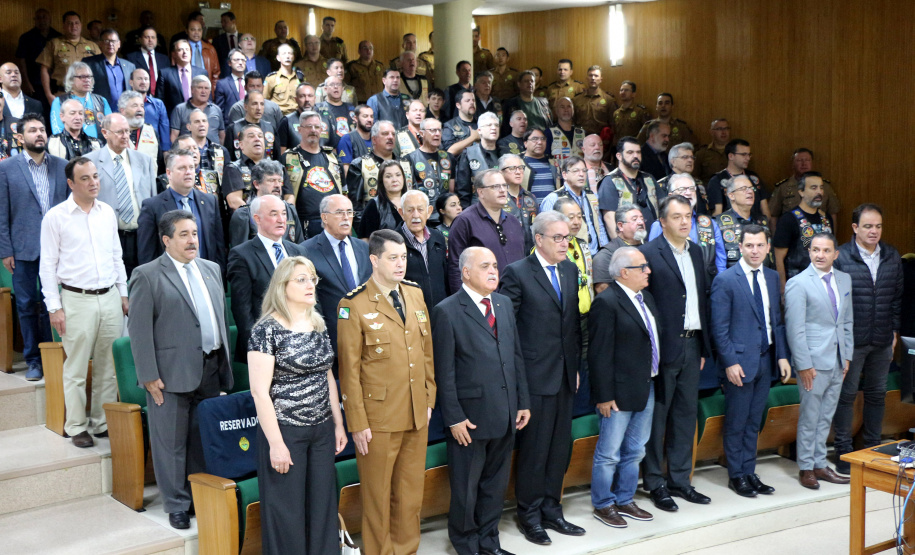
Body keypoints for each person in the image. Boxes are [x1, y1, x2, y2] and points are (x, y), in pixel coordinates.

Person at [128, 210, 234, 530]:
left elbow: (218, 318)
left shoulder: (212, 268)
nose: (192, 241)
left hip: (210, 366)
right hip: (170, 373)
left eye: (195, 234)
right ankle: (176, 503)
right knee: (170, 442)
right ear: (166, 240)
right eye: (184, 235)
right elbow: (139, 329)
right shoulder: (147, 275)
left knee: (202, 439)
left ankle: (196, 495)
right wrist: (148, 375)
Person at [337, 229, 435, 555]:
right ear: (374, 260)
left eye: (404, 257)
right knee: (378, 498)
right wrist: (357, 421)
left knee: (410, 496)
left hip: (415, 412)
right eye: (393, 257)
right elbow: (349, 370)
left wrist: (429, 398)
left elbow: (426, 353)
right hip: (376, 418)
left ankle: (406, 550)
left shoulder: (414, 294)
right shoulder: (353, 304)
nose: (400, 264)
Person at [433, 245, 530, 555]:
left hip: (505, 413)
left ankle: (490, 542)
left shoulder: (502, 304)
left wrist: (522, 401)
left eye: (495, 266)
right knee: (466, 488)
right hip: (469, 418)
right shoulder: (447, 310)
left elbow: (515, 356)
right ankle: (466, 544)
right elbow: (444, 372)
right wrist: (453, 418)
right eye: (485, 266)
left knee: (495, 486)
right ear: (465, 272)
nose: (493, 271)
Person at [248, 255, 346, 555]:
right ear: (282, 286)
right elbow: (259, 392)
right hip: (285, 431)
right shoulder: (266, 330)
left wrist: (338, 423)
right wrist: (275, 443)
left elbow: (327, 374)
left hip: (322, 430)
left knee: (322, 507)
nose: (310, 285)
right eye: (301, 279)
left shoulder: (317, 323)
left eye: (312, 278)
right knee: (287, 512)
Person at [500, 210, 585, 545]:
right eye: (559, 238)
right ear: (539, 239)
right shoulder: (517, 273)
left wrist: (575, 366)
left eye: (567, 237)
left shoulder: (569, 269)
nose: (566, 243)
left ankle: (553, 508)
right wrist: (519, 382)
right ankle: (530, 515)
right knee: (535, 451)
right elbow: (508, 333)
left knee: (558, 448)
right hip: (534, 377)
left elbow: (573, 325)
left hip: (564, 375)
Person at [39, 155, 127, 447]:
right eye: (85, 178)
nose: (93, 183)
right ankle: (76, 425)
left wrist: (123, 292)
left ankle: (101, 423)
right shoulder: (55, 217)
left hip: (110, 297)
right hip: (76, 299)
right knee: (76, 368)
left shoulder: (107, 212)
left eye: (95, 176)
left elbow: (117, 255)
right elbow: (47, 266)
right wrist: (55, 307)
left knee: (108, 365)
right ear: (70, 183)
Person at [639, 195, 712, 512]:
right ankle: (655, 482)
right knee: (659, 418)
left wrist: (702, 346)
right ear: (663, 221)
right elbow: (645, 307)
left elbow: (700, 300)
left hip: (692, 343)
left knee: (685, 415)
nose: (685, 222)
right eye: (678, 216)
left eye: (689, 216)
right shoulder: (648, 254)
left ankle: (680, 480)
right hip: (663, 348)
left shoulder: (697, 251)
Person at [710, 225, 791, 497]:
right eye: (749, 246)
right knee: (737, 421)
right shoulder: (726, 279)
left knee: (754, 420)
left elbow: (776, 321)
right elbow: (719, 328)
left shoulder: (770, 277)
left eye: (760, 245)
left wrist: (781, 355)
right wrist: (730, 362)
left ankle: (749, 470)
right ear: (741, 247)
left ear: (768, 248)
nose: (754, 250)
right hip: (739, 364)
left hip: (765, 360)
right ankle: (737, 475)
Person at [588, 246, 658, 528]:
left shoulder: (646, 298)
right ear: (624, 272)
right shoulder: (606, 302)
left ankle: (625, 498)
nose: (648, 271)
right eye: (643, 267)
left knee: (636, 449)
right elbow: (598, 354)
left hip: (646, 385)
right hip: (617, 393)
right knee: (609, 453)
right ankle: (603, 504)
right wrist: (604, 396)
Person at [832, 204, 903, 474]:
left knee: (877, 394)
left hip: (883, 338)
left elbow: (896, 299)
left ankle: (873, 448)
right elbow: (834, 304)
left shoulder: (892, 255)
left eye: (878, 226)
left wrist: (894, 331)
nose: (874, 231)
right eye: (868, 226)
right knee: (846, 395)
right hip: (852, 341)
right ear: (854, 228)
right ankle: (843, 451)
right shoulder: (842, 256)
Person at [0, 114, 68, 380]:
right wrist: (6, 250)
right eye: (33, 130)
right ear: (20, 137)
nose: (39, 134)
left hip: (59, 249)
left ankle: (58, 356)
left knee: (57, 304)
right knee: (28, 305)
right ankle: (34, 360)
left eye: (42, 130)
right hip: (24, 248)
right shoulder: (7, 168)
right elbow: (2, 213)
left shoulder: (62, 166)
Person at [785, 232, 854, 489]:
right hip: (812, 362)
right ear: (810, 252)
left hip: (837, 359)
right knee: (810, 416)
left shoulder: (844, 280)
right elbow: (795, 328)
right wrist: (803, 364)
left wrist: (846, 356)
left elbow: (846, 321)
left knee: (826, 416)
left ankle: (820, 464)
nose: (820, 255)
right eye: (815, 250)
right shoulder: (798, 283)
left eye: (826, 251)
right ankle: (806, 468)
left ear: (835, 254)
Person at [229, 193, 308, 363]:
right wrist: (259, 347)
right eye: (274, 214)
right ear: (257, 219)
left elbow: (311, 297)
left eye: (284, 213)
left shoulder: (298, 251)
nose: (281, 219)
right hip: (267, 346)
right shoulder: (242, 255)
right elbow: (242, 309)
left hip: (302, 340)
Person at [85, 113, 157, 278]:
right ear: (105, 133)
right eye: (119, 132)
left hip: (142, 235)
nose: (125, 136)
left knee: (144, 283)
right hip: (109, 237)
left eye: (127, 131)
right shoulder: (90, 162)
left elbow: (152, 198)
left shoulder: (144, 160)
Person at [302, 194, 372, 354]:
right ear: (324, 217)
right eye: (340, 212)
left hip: (366, 333)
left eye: (349, 212)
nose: (346, 218)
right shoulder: (306, 250)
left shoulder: (364, 248)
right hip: (330, 335)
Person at [137, 149, 225, 272]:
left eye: (191, 167)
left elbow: (219, 245)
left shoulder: (210, 201)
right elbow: (147, 253)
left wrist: (219, 276)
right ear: (169, 173)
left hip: (206, 275)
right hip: (170, 279)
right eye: (182, 168)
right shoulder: (152, 206)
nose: (188, 172)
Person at [447, 169, 525, 293]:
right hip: (483, 298)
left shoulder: (513, 221)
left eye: (504, 185)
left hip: (517, 297)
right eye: (495, 186)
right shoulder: (464, 221)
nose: (502, 190)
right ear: (481, 192)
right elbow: (456, 266)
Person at [647, 173, 727, 282]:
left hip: (707, 288)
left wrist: (720, 287)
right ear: (670, 195)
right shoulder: (660, 224)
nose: (688, 193)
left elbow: (720, 262)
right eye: (682, 189)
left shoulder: (709, 223)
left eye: (691, 189)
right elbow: (652, 260)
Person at [283, 111, 343, 238]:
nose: (313, 130)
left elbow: (345, 192)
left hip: (333, 220)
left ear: (321, 130)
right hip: (303, 222)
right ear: (299, 129)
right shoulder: (288, 158)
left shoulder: (332, 158)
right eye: (308, 126)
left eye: (316, 127)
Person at [773, 171, 834, 290]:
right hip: (797, 284)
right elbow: (778, 258)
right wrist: (782, 289)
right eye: (813, 188)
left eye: (821, 188)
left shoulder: (826, 218)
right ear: (801, 192)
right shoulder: (788, 219)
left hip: (824, 284)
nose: (819, 192)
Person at [346, 121, 413, 224]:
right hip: (374, 225)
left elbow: (414, 195)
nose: (390, 137)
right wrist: (365, 232)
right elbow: (355, 205)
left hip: (406, 223)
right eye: (385, 134)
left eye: (393, 134)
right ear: (374, 139)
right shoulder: (360, 164)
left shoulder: (406, 163)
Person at [540, 156, 609, 256]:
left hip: (596, 254)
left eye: (584, 171)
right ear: (564, 174)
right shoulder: (554, 198)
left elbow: (600, 226)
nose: (581, 174)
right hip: (570, 255)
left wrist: (605, 251)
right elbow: (545, 232)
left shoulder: (591, 196)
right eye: (575, 171)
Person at [229, 161, 303, 248]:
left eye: (279, 181)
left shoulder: (289, 209)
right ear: (256, 184)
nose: (277, 185)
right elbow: (240, 252)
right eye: (271, 180)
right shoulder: (244, 214)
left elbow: (300, 246)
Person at [397, 190, 449, 307]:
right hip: (409, 312)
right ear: (401, 213)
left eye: (420, 210)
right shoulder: (393, 242)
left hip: (440, 311)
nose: (416, 215)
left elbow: (445, 275)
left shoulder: (438, 237)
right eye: (410, 210)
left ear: (429, 211)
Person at [36, 11, 100, 107]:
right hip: (63, 94)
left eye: (76, 23)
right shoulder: (54, 44)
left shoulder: (92, 46)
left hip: (88, 95)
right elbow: (44, 69)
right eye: (70, 23)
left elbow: (101, 69)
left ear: (81, 25)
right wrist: (49, 95)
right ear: (64, 26)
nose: (74, 26)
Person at [599, 136, 660, 234]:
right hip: (629, 244)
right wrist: (624, 248)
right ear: (619, 156)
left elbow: (663, 209)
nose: (635, 156)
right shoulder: (610, 181)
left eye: (638, 152)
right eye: (630, 152)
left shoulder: (649, 178)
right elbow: (609, 220)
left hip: (655, 243)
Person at [770, 148, 840, 226]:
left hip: (819, 231)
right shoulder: (783, 187)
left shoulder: (825, 187)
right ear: (793, 164)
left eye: (807, 160)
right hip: (791, 231)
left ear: (812, 163)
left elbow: (833, 213)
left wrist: (832, 237)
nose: (804, 164)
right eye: (799, 160)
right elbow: (773, 215)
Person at [716, 175, 773, 268]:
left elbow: (771, 258)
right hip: (733, 280)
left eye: (751, 188)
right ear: (731, 195)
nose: (750, 191)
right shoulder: (718, 223)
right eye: (744, 188)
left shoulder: (762, 221)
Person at [403, 117, 454, 219]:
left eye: (439, 130)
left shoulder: (448, 157)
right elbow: (408, 191)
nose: (437, 134)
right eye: (432, 130)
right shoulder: (410, 159)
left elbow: (451, 190)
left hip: (445, 216)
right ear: (422, 133)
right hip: (422, 215)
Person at [592, 204, 647, 294]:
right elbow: (603, 290)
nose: (640, 222)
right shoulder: (607, 255)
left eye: (642, 218)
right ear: (620, 226)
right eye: (635, 219)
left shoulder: (649, 248)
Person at [707, 139, 769, 218]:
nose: (748, 158)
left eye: (749, 155)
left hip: (756, 226)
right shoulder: (717, 180)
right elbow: (717, 213)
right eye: (744, 155)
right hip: (730, 226)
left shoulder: (753, 177)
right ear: (731, 156)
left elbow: (765, 210)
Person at [49, 62, 111, 139]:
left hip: (100, 147)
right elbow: (57, 130)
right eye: (82, 77)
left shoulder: (101, 101)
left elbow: (111, 128)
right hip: (71, 147)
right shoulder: (59, 101)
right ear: (71, 79)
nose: (87, 80)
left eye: (89, 77)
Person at [16, 9, 61, 106]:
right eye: (38, 18)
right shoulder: (26, 37)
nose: (42, 20)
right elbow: (22, 61)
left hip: (56, 83)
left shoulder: (58, 37)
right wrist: (26, 82)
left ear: (50, 19)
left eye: (44, 17)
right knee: (39, 111)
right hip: (35, 83)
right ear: (35, 20)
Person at [454, 111, 499, 206]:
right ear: (479, 130)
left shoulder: (505, 152)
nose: (494, 128)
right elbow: (463, 190)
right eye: (489, 125)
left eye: (496, 125)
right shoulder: (469, 154)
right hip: (478, 208)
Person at [84, 29, 136, 110]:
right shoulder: (90, 63)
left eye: (113, 41)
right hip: (99, 111)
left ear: (119, 44)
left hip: (124, 112)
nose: (110, 44)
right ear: (100, 43)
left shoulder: (129, 66)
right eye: (106, 41)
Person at [222, 124, 267, 212]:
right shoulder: (233, 168)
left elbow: (289, 197)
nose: (257, 139)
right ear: (241, 145)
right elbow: (234, 202)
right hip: (247, 222)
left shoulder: (276, 167)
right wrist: (260, 218)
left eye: (260, 136)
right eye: (251, 136)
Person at [156, 40, 207, 115]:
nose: (184, 52)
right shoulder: (164, 73)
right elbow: (160, 100)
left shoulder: (202, 73)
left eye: (187, 49)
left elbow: (207, 98)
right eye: (180, 50)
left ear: (191, 52)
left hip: (198, 116)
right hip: (174, 117)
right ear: (174, 54)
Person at [170, 76, 224, 147]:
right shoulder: (180, 109)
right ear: (192, 89)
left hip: (214, 154)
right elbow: (174, 136)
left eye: (206, 88)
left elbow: (222, 135)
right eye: (200, 88)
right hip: (188, 154)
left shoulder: (217, 109)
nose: (203, 91)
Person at [500, 153, 539, 254]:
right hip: (507, 253)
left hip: (531, 254)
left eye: (521, 168)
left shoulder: (530, 197)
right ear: (501, 172)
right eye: (512, 168)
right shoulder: (498, 198)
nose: (518, 172)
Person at [359, 160, 407, 237]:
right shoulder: (374, 205)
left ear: (403, 178)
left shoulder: (412, 200)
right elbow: (365, 239)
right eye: (388, 176)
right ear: (381, 181)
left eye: (398, 175)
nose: (394, 180)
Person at [129, 68, 171, 151]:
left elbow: (164, 131)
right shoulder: (124, 103)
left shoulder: (158, 104)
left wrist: (166, 152)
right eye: (139, 79)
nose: (143, 82)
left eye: (146, 79)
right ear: (131, 82)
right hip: (130, 149)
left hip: (154, 150)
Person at [500, 70, 552, 137]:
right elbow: (505, 128)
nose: (529, 83)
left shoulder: (543, 103)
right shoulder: (510, 104)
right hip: (522, 141)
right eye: (526, 81)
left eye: (532, 81)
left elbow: (550, 124)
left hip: (543, 140)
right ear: (519, 84)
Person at [1, 62, 44, 143]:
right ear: (0, 78)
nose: (13, 75)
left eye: (16, 72)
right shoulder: (1, 102)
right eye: (8, 72)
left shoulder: (36, 104)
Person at [572, 66, 617, 137]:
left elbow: (612, 123)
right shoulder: (576, 100)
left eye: (596, 76)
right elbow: (572, 121)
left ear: (601, 79)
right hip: (580, 138)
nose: (593, 78)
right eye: (590, 75)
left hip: (601, 138)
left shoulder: (609, 100)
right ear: (587, 78)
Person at [264, 44, 305, 116]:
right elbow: (264, 100)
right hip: (278, 116)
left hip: (297, 116)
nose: (287, 56)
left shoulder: (299, 77)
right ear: (278, 58)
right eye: (284, 54)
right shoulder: (271, 78)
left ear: (293, 57)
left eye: (290, 53)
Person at [125, 28, 169, 93]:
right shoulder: (131, 58)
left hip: (161, 96)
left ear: (156, 40)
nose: (150, 40)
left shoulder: (164, 59)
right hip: (140, 95)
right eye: (147, 37)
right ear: (140, 39)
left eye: (153, 37)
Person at [119, 91, 159, 161]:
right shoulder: (114, 133)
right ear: (123, 111)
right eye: (135, 106)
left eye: (142, 106)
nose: (140, 109)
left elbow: (159, 161)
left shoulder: (152, 131)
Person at [522, 128, 560, 202]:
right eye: (534, 139)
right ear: (525, 143)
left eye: (543, 139)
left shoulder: (553, 163)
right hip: (527, 210)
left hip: (551, 210)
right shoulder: (518, 163)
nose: (540, 142)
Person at [548, 97, 586, 167]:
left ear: (573, 110)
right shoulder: (549, 132)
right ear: (556, 111)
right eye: (562, 107)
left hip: (579, 174)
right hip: (559, 175)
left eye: (569, 106)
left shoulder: (582, 133)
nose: (566, 110)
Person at [215, 49, 251, 122]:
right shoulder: (222, 84)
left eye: (243, 60)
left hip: (251, 123)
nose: (240, 63)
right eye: (236, 60)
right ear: (229, 63)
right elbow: (219, 110)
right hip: (231, 125)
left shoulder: (251, 82)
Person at [335, 104, 373, 174]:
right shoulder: (347, 139)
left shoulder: (376, 138)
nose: (369, 119)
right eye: (365, 116)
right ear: (355, 118)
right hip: (357, 183)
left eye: (371, 116)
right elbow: (346, 171)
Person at [611, 81, 651, 145]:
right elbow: (614, 134)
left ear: (633, 94)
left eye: (626, 90)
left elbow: (647, 132)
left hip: (635, 148)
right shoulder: (616, 113)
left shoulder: (640, 111)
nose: (623, 92)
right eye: (621, 90)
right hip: (620, 148)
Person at [185, 18, 220, 88]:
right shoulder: (181, 49)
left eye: (199, 30)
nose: (196, 33)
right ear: (186, 31)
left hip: (207, 89)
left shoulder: (210, 49)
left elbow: (216, 73)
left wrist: (212, 91)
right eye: (193, 30)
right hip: (188, 88)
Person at [442, 90, 479, 156]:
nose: (472, 103)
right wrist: (473, 138)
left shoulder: (481, 124)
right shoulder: (449, 126)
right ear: (458, 105)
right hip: (459, 165)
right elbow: (449, 151)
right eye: (467, 101)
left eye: (473, 100)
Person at [693, 119, 730, 184]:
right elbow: (695, 176)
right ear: (711, 132)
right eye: (719, 129)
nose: (723, 132)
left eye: (726, 128)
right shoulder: (702, 153)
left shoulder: (736, 152)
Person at [213, 12, 240, 77]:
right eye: (221, 22)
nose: (223, 24)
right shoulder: (217, 40)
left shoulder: (244, 37)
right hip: (225, 73)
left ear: (233, 21)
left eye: (225, 22)